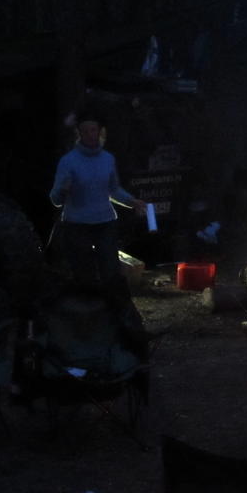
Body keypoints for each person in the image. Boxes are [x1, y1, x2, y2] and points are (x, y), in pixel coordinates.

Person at [48, 109, 151, 344]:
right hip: (77, 224)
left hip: (105, 222)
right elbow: (55, 199)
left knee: (111, 272)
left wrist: (132, 201)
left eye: (93, 130)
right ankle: (88, 326)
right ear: (79, 133)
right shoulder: (68, 161)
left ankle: (120, 323)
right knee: (83, 274)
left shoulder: (107, 159)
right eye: (85, 131)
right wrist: (63, 189)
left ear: (99, 132)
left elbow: (113, 190)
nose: (90, 134)